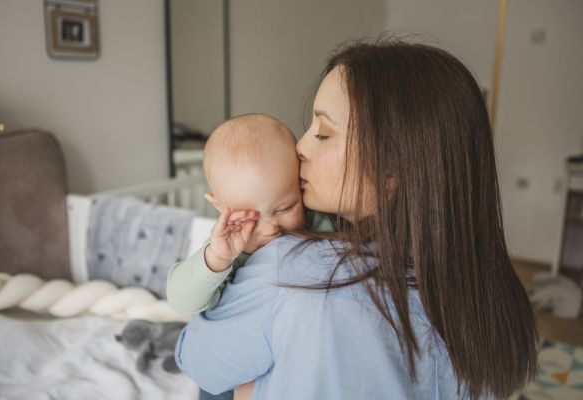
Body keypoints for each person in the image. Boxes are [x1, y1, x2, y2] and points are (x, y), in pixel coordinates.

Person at [174, 37, 539, 399]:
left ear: (392, 171)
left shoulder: (295, 270)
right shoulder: (487, 292)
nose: (299, 147)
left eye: (323, 133)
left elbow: (197, 360)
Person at [166, 113, 333, 400]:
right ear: (220, 206)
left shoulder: (320, 224)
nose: (271, 228)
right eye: (251, 218)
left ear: (300, 182)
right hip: (226, 370)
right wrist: (216, 259)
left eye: (285, 207)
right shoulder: (227, 247)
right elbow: (181, 300)